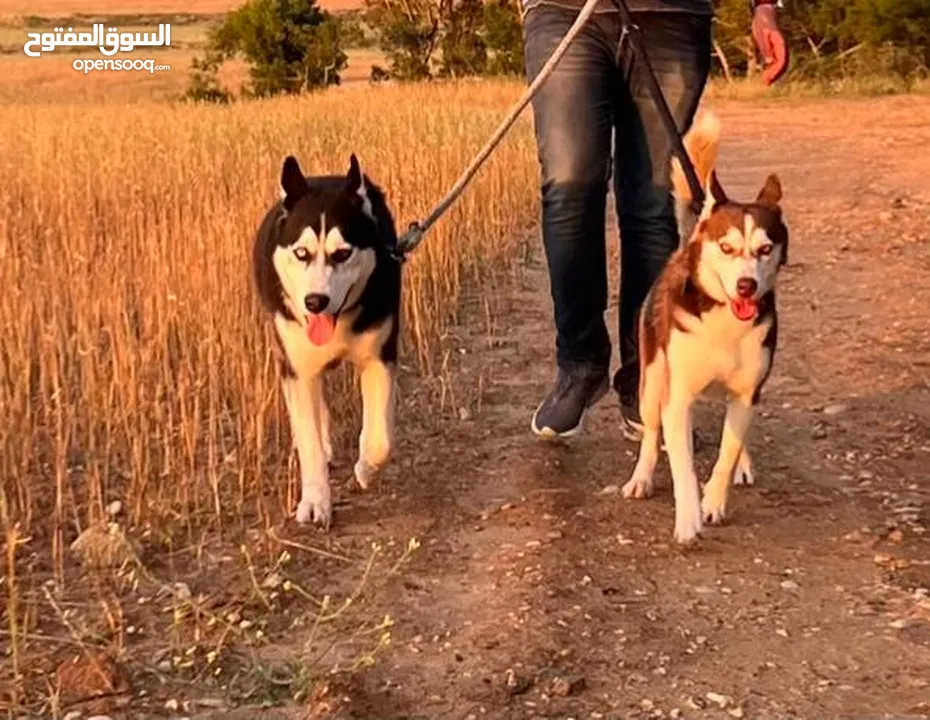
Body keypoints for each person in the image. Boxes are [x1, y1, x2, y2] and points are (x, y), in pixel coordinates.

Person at [523, 0, 789, 439]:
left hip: (673, 15)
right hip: (564, 12)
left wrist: (764, 7)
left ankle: (646, 375)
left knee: (652, 202)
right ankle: (579, 365)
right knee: (569, 187)